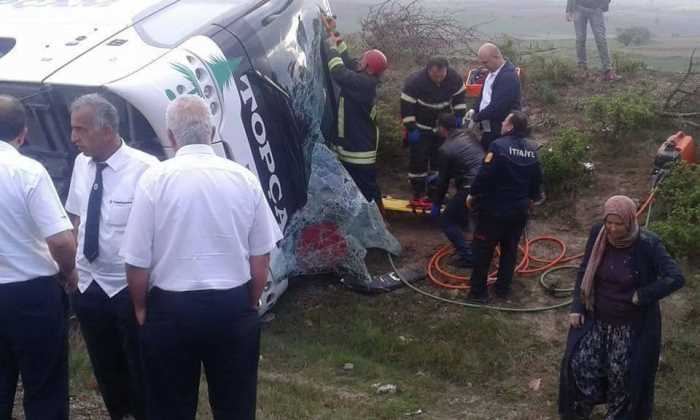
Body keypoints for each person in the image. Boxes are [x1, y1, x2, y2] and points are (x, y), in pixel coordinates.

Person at [121, 95, 283, 420]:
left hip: (170, 309)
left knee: (170, 405)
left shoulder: (154, 180)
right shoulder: (244, 178)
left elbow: (136, 260)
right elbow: (261, 256)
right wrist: (248, 301)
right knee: (235, 404)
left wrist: (140, 306)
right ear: (210, 132)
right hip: (232, 304)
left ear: (171, 136)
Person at [65, 93, 158, 420]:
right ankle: (118, 413)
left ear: (106, 130)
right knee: (104, 362)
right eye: (72, 129)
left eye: (81, 130)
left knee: (141, 363)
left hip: (127, 287)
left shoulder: (147, 170)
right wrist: (73, 269)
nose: (73, 138)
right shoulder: (81, 164)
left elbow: (157, 235)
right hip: (88, 284)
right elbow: (76, 217)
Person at [558, 196, 684, 420]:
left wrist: (642, 294)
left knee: (624, 378)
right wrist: (577, 306)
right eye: (609, 223)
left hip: (630, 326)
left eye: (619, 224)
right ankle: (578, 412)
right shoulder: (599, 234)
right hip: (596, 319)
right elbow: (585, 269)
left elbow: (675, 277)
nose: (613, 229)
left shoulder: (648, 243)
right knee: (579, 364)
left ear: (630, 220)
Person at [0, 94, 77, 420]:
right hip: (31, 294)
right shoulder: (27, 171)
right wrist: (68, 271)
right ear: (23, 133)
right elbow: (61, 240)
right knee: (44, 385)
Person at [467, 111, 542, 302]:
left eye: (504, 120)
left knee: (483, 251)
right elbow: (537, 179)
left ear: (510, 126)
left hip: (494, 210)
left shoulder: (498, 146)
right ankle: (502, 289)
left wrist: (473, 194)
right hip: (519, 211)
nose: (501, 122)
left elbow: (484, 175)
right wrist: (531, 199)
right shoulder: (532, 149)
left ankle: (478, 293)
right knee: (509, 252)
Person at [324, 16, 388, 211]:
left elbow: (338, 71)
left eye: (364, 61)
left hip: (357, 151)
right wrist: (333, 33)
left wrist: (331, 47)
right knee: (361, 188)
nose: (359, 61)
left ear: (368, 67)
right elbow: (349, 62)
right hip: (355, 147)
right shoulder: (365, 79)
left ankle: (379, 225)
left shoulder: (363, 84)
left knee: (367, 190)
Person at [401, 57, 467, 202]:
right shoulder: (415, 82)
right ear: (428, 70)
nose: (439, 79)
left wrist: (459, 117)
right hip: (420, 127)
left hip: (441, 128)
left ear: (446, 70)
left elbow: (460, 99)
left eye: (442, 75)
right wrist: (411, 128)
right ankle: (418, 192)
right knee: (418, 160)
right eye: (435, 75)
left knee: (440, 160)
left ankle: (436, 192)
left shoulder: (454, 78)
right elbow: (407, 106)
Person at [430, 113, 484, 267]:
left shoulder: (445, 148)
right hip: (489, 180)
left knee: (446, 220)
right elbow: (469, 159)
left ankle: (468, 257)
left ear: (442, 128)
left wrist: (436, 203)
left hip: (471, 186)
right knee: (473, 216)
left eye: (438, 127)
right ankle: (476, 247)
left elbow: (443, 182)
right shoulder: (469, 134)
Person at [469, 43, 521, 150]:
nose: (484, 66)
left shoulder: (507, 76)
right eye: (482, 63)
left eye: (486, 62)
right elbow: (483, 95)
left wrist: (476, 118)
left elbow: (497, 107)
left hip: (501, 127)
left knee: (493, 156)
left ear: (496, 56)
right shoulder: (492, 72)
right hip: (489, 125)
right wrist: (474, 109)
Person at [566, 0, 621, 81]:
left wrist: (603, 5)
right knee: (580, 39)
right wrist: (569, 10)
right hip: (579, 8)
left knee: (601, 39)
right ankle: (582, 70)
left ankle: (607, 71)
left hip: (596, 9)